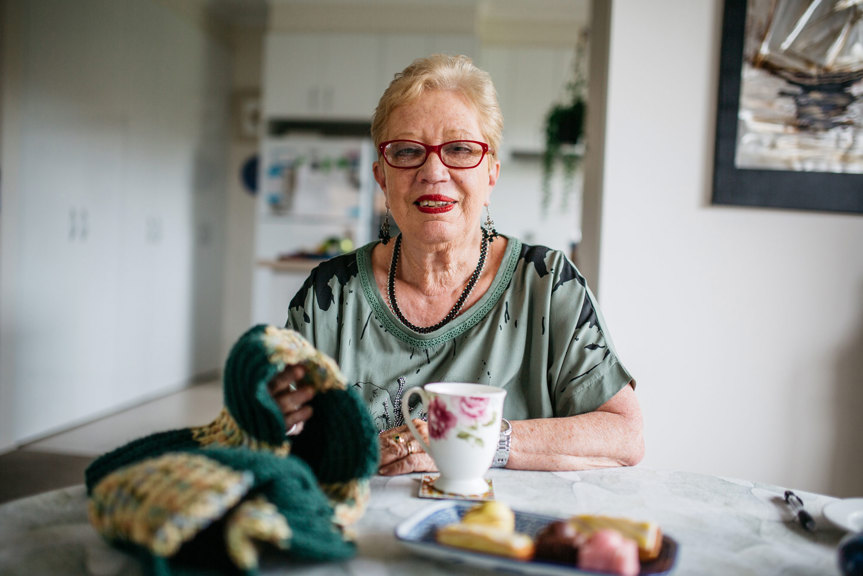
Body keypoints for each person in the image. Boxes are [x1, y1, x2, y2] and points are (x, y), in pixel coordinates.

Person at [268, 54, 644, 477]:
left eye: (461, 149)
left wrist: (470, 439)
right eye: (408, 151)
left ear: (491, 174)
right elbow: (276, 439)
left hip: (502, 533)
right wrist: (273, 421)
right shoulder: (329, 297)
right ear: (381, 177)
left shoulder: (548, 286)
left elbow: (623, 434)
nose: (433, 171)